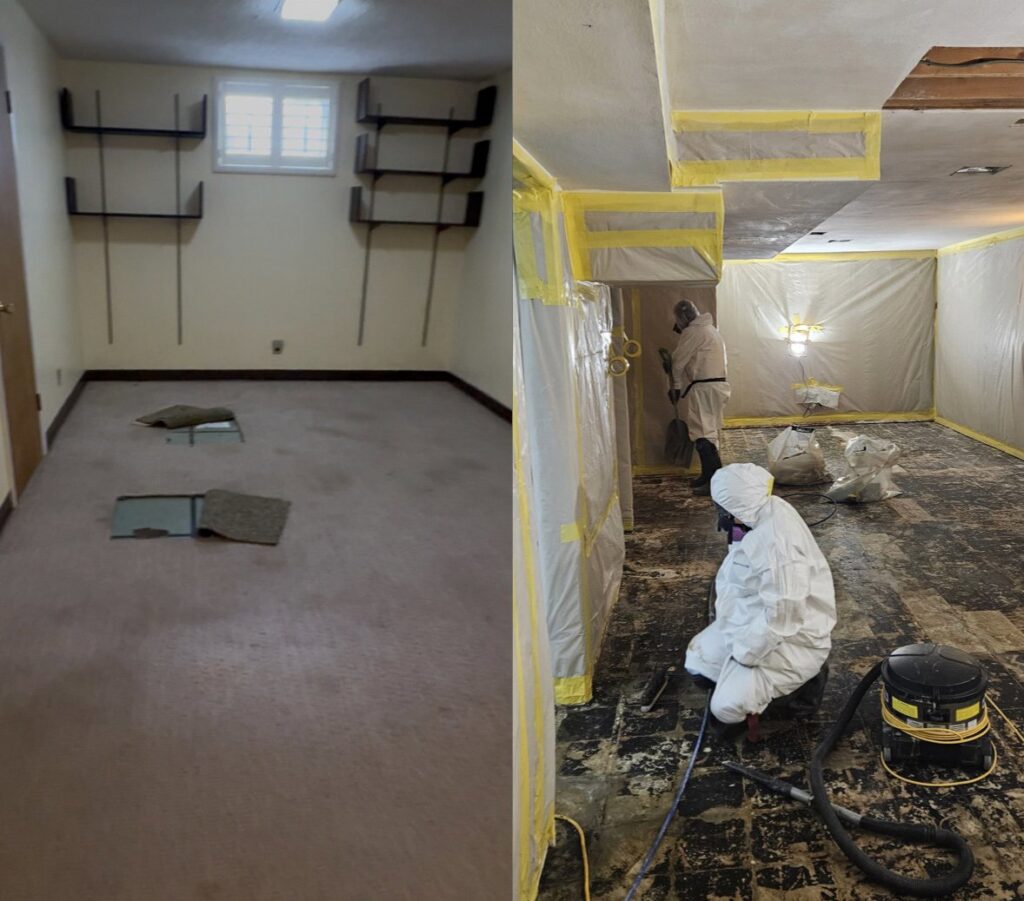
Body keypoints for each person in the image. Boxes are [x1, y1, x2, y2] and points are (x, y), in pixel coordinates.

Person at [684, 463, 836, 728]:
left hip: (792, 639)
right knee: (699, 662)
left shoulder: (779, 548)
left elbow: (783, 617)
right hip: (753, 620)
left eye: (722, 508)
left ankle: (800, 696)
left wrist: (744, 654)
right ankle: (760, 685)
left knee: (726, 710)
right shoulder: (761, 510)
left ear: (735, 506)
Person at [669, 299, 730, 496]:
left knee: (702, 434)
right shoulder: (709, 330)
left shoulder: (693, 332)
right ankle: (708, 476)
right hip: (717, 386)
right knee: (708, 431)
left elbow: (677, 362)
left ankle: (714, 482)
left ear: (681, 317)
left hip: (704, 388)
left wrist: (676, 386)